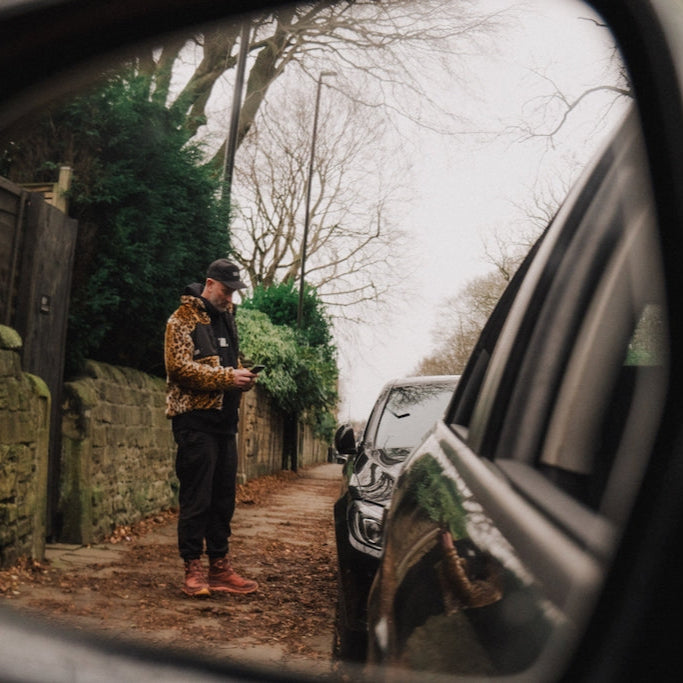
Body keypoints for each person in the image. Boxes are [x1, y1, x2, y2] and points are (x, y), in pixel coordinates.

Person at [164, 258, 259, 597]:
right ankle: (193, 569)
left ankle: (220, 566)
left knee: (223, 500)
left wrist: (241, 376)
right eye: (227, 290)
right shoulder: (181, 319)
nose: (231, 298)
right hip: (194, 422)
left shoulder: (227, 320)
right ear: (209, 284)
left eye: (235, 292)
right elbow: (178, 369)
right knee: (197, 498)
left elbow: (227, 366)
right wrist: (226, 378)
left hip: (224, 424)